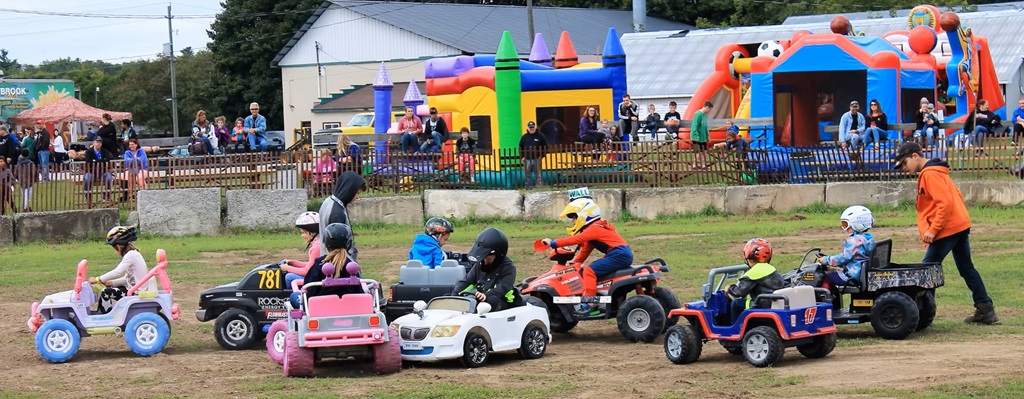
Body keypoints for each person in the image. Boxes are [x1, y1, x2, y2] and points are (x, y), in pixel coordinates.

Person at [894, 142, 998, 324]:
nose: (904, 167)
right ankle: (985, 308)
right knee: (966, 268)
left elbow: (945, 203)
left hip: (947, 228)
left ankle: (922, 314)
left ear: (915, 156)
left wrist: (933, 230)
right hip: (958, 224)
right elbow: (956, 196)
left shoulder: (930, 174)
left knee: (927, 269)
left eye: (904, 162)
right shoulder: (937, 171)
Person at [540, 197, 633, 315]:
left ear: (583, 216)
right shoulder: (596, 228)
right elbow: (585, 251)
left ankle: (590, 304)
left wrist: (553, 243)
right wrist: (573, 264)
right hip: (621, 253)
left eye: (573, 217)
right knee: (588, 269)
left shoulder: (593, 229)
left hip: (618, 254)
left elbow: (575, 239)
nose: (572, 221)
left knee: (589, 271)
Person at [88, 226, 156, 313]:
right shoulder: (133, 254)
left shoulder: (130, 255)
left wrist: (98, 279)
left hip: (135, 293)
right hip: (135, 289)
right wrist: (111, 283)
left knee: (106, 292)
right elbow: (129, 278)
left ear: (118, 246)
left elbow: (117, 271)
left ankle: (104, 316)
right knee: (112, 288)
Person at [453, 227, 524, 312]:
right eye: (484, 258)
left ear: (498, 256)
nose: (485, 261)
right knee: (454, 297)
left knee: (490, 301)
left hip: (506, 303)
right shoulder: (480, 264)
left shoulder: (508, 268)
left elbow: (502, 288)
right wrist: (454, 295)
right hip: (482, 299)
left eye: (489, 259)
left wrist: (486, 295)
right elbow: (467, 281)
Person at [817, 206, 876, 299]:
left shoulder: (854, 242)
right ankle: (833, 298)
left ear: (857, 225)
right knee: (832, 274)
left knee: (827, 277)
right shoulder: (869, 238)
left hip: (852, 275)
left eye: (846, 225)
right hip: (860, 271)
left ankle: (826, 302)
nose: (845, 228)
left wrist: (826, 260)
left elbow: (843, 258)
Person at [725, 238, 785, 324]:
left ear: (749, 255)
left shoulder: (753, 273)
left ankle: (735, 331)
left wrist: (729, 288)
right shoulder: (772, 269)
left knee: (736, 304)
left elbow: (739, 292)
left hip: (762, 304)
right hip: (775, 302)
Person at [301, 223, 362, 303]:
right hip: (350, 308)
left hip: (319, 310)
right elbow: (359, 292)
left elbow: (308, 290)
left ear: (325, 243)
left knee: (293, 296)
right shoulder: (351, 266)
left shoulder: (320, 263)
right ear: (349, 243)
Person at [318, 171, 365, 261]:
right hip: (337, 263)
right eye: (357, 192)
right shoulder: (337, 211)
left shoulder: (328, 202)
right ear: (348, 190)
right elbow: (337, 246)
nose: (357, 197)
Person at [280, 212, 321, 293]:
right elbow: (312, 265)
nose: (302, 236)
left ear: (312, 232)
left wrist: (287, 268)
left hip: (316, 280)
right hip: (318, 276)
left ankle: (293, 299)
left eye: (303, 233)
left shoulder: (316, 247)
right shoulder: (319, 243)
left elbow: (307, 271)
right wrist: (294, 263)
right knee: (284, 266)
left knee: (289, 277)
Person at [519, 121, 548, 190]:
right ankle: (528, 188)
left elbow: (546, 146)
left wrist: (542, 156)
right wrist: (522, 157)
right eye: (530, 127)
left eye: (532, 127)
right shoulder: (524, 137)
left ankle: (539, 188)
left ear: (535, 127)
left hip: (537, 158)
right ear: (528, 128)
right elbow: (520, 147)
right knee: (527, 175)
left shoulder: (541, 136)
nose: (531, 129)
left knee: (538, 175)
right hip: (527, 159)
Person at [690, 100, 713, 169]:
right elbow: (694, 125)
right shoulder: (698, 114)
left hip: (703, 137)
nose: (709, 111)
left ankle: (703, 165)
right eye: (709, 109)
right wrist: (695, 135)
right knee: (698, 152)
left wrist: (707, 136)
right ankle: (694, 165)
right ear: (706, 107)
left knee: (704, 151)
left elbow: (705, 127)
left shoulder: (705, 116)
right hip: (697, 137)